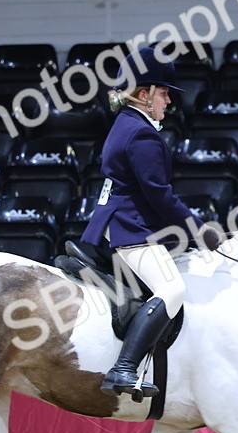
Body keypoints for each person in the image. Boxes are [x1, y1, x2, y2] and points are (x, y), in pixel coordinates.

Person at [81, 46, 219, 398]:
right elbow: (159, 194)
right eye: (163, 93)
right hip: (131, 227)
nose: (168, 101)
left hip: (121, 219)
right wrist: (198, 229)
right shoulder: (141, 133)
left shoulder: (125, 123)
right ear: (143, 95)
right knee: (173, 289)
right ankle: (124, 368)